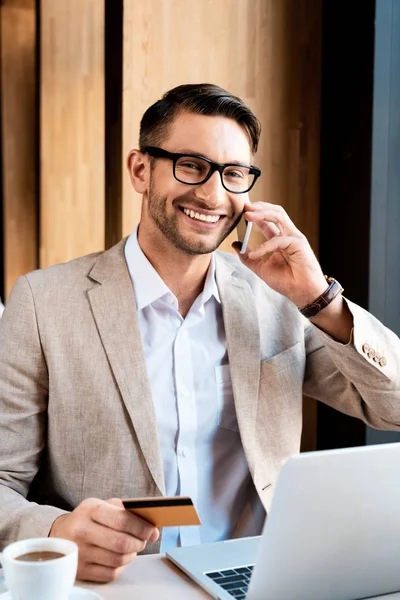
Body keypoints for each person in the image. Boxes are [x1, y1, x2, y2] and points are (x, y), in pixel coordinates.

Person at [0, 83, 399, 583]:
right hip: (120, 586)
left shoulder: (278, 301)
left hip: (261, 578)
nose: (213, 195)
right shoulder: (42, 303)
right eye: (191, 165)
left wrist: (321, 299)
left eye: (233, 174)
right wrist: (57, 528)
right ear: (140, 170)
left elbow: (393, 407)